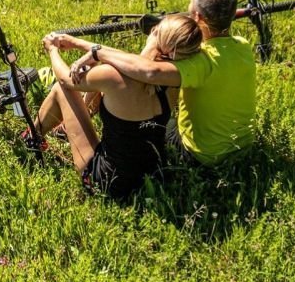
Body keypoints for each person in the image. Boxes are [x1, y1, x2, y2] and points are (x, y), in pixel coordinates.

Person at [50, 0, 255, 167]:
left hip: (202, 156)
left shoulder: (200, 61)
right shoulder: (243, 46)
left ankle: (74, 122)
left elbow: (146, 71)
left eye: (190, 5)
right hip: (242, 149)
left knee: (123, 86)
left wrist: (89, 48)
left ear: (198, 17)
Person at [37, 14, 203, 200]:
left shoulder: (113, 77)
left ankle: (32, 137)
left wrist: (52, 50)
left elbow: (65, 79)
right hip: (153, 176)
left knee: (61, 89)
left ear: (154, 31)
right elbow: (132, 63)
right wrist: (82, 45)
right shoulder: (175, 79)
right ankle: (60, 128)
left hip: (107, 182)